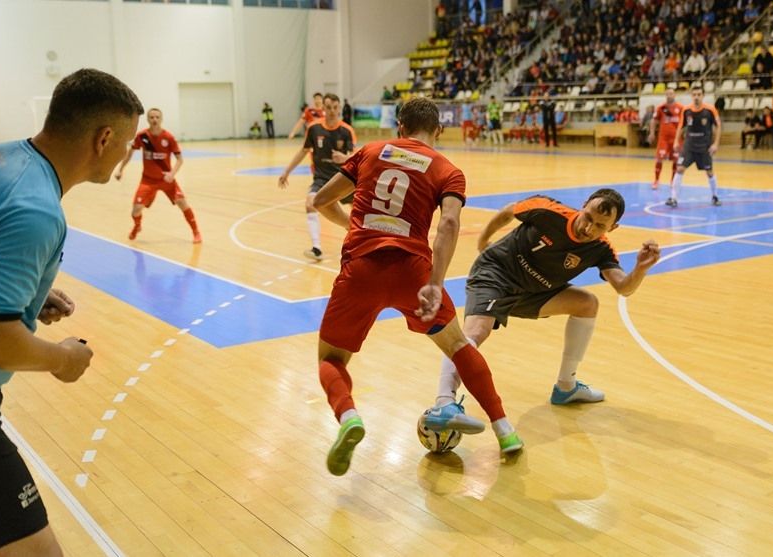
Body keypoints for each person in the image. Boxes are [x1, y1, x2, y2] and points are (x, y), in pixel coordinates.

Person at [0, 68, 141, 557]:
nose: (126, 153)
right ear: (104, 137)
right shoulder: (36, 210)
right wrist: (61, 359)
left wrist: (24, 295)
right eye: (127, 142)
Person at [310, 97, 523, 476]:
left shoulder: (372, 151)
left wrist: (351, 227)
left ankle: (349, 418)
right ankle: (504, 429)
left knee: (331, 359)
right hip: (414, 273)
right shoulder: (448, 170)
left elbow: (321, 200)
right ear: (438, 131)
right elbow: (449, 226)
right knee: (458, 345)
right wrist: (436, 283)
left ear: (400, 127)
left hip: (362, 268)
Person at [433, 189, 660, 411]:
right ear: (583, 206)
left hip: (533, 294)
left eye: (600, 226)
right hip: (497, 273)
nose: (588, 228)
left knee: (587, 303)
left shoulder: (601, 249)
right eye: (588, 217)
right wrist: (483, 242)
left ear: (613, 228)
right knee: (475, 333)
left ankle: (566, 387)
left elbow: (624, 288)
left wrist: (640, 268)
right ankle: (444, 401)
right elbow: (508, 212)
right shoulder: (548, 210)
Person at [278, 93, 357, 261]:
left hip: (344, 179)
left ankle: (357, 238)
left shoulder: (347, 131)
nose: (332, 111)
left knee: (358, 212)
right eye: (328, 107)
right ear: (323, 108)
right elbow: (303, 151)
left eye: (335, 108)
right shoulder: (314, 129)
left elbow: (356, 157)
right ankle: (317, 248)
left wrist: (345, 159)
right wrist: (286, 172)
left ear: (339, 108)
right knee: (310, 203)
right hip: (321, 179)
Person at [115, 108, 202, 243]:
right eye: (151, 117)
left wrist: (172, 174)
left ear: (161, 119)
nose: (154, 120)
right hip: (148, 180)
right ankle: (137, 226)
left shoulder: (168, 137)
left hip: (166, 180)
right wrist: (121, 169)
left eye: (157, 117)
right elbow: (130, 153)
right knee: (135, 210)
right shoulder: (142, 136)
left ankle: (196, 232)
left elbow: (180, 159)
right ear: (148, 119)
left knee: (182, 203)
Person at [666, 85, 721, 208]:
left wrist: (715, 144)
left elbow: (718, 126)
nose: (696, 97)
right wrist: (676, 141)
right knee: (679, 169)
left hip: (704, 147)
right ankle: (674, 198)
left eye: (699, 94)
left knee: (710, 172)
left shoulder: (710, 110)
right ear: (691, 96)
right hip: (689, 146)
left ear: (703, 95)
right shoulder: (686, 110)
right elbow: (681, 126)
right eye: (694, 95)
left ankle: (715, 196)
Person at [648, 88, 684, 190]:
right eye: (667, 94)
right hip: (663, 138)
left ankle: (673, 181)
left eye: (671, 94)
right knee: (659, 158)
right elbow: (653, 121)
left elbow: (684, 123)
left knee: (676, 160)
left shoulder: (680, 108)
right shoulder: (661, 108)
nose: (669, 96)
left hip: (676, 139)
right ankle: (656, 180)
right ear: (665, 95)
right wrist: (652, 133)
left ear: (675, 95)